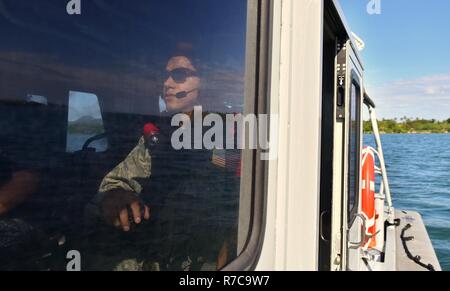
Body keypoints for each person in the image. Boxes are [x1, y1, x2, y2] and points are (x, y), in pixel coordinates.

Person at [90, 50, 239, 271]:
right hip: (156, 255)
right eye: (165, 76)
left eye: (179, 75)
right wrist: (117, 197)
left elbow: (250, 200)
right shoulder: (158, 136)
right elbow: (116, 182)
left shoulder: (234, 131)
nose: (167, 83)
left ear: (204, 83)